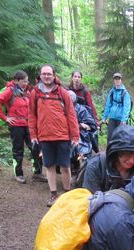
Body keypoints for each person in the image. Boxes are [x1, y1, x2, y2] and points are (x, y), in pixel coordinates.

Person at [29, 64, 79, 207]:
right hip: (44, 136)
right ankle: (53, 194)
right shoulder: (35, 93)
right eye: (44, 74)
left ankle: (67, 193)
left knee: (65, 166)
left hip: (62, 136)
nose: (46, 76)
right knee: (49, 166)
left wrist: (75, 136)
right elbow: (31, 115)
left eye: (49, 74)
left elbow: (71, 115)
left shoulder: (62, 92)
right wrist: (33, 135)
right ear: (40, 75)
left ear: (53, 75)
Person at [0, 70, 43, 183]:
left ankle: (37, 173)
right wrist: (5, 118)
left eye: (27, 81)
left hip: (28, 124)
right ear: (16, 81)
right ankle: (18, 174)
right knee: (18, 150)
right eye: (23, 81)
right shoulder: (10, 91)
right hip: (16, 126)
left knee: (35, 147)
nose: (26, 83)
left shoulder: (27, 91)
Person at [82, 124, 134, 193]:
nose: (132, 160)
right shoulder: (96, 167)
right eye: (128, 154)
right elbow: (90, 200)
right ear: (116, 151)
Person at [101, 72, 132, 139]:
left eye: (118, 79)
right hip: (112, 118)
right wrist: (104, 118)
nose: (117, 80)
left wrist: (123, 120)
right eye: (115, 79)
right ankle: (109, 150)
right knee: (110, 138)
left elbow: (127, 108)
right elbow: (108, 105)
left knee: (121, 139)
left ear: (121, 80)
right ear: (113, 81)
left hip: (121, 120)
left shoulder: (125, 93)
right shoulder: (112, 92)